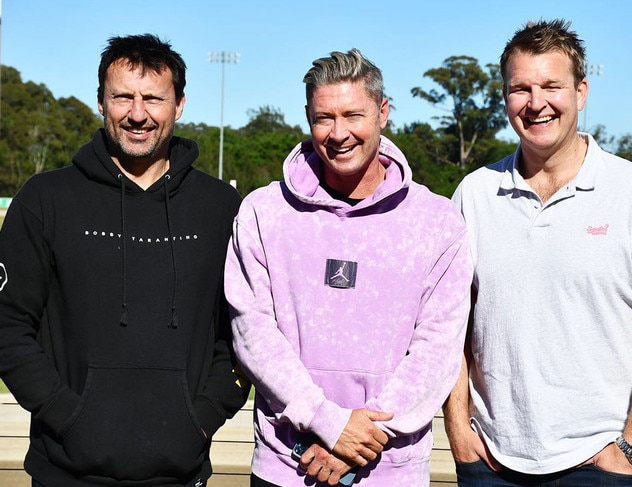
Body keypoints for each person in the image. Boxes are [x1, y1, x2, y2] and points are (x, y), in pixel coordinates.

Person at [0, 34, 249, 486]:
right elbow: (7, 324)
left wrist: (203, 417)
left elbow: (240, 333)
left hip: (180, 472)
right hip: (64, 473)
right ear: (100, 101)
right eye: (122, 97)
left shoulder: (221, 208)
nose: (138, 114)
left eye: (153, 98)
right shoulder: (45, 199)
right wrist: (66, 416)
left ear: (179, 104)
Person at [224, 48, 473, 487]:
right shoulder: (263, 212)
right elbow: (252, 332)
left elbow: (438, 347)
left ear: (383, 112)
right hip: (289, 465)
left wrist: (364, 435)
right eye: (324, 118)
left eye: (353, 115)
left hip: (390, 470)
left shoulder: (437, 222)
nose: (339, 133)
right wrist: (326, 422)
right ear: (307, 117)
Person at [445, 19, 632, 486]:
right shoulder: (474, 194)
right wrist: (459, 430)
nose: (536, 103)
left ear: (581, 91)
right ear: (504, 97)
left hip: (600, 463)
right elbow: (446, 326)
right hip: (490, 461)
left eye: (551, 86)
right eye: (521, 88)